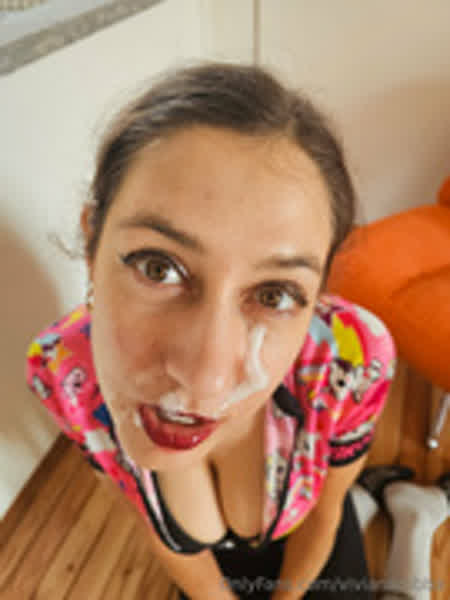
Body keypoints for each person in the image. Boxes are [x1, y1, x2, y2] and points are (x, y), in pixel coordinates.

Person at [25, 62, 397, 599]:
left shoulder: (352, 358)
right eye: (158, 267)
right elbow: (148, 517)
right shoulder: (62, 372)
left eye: (274, 294)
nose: (205, 383)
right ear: (92, 244)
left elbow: (324, 515)